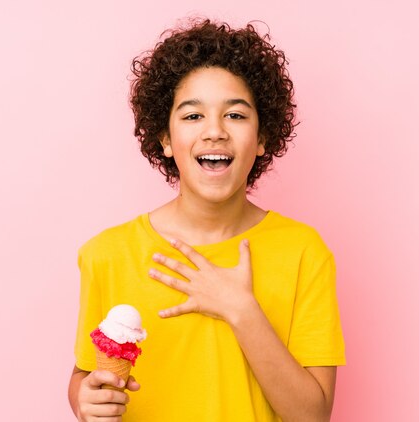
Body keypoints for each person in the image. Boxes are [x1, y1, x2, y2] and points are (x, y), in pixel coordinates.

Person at [68, 18, 345, 422]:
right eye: (193, 116)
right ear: (164, 138)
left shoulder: (304, 252)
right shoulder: (107, 255)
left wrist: (242, 310)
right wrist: (83, 399)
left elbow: (312, 416)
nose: (214, 131)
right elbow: (83, 375)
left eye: (235, 115)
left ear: (262, 137)